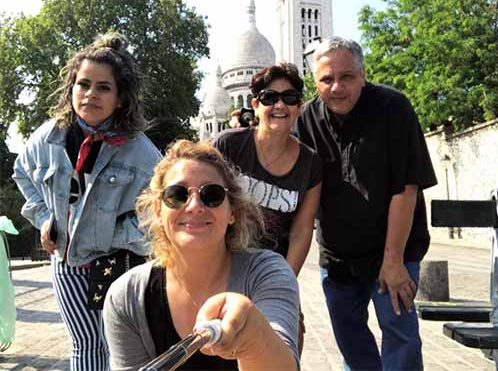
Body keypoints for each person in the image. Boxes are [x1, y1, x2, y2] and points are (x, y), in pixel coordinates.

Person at [12, 32, 161, 370]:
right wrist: (45, 218)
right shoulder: (47, 137)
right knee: (85, 343)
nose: (90, 94)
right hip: (67, 263)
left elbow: (157, 212)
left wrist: (113, 235)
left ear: (120, 98)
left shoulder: (142, 153)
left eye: (103, 87)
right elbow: (22, 173)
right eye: (83, 84)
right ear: (71, 89)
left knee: (119, 343)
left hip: (116, 263)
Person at [294, 37, 437, 371]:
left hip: (394, 250)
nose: (336, 87)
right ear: (315, 81)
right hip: (338, 256)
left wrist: (394, 262)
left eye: (346, 77)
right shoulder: (306, 121)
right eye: (326, 79)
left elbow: (405, 189)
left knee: (400, 337)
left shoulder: (393, 107)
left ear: (363, 74)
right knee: (350, 340)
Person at [103, 139, 299, 370]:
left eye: (212, 194)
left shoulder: (266, 273)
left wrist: (255, 337)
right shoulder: (126, 296)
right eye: (177, 194)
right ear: (158, 210)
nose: (194, 205)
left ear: (232, 212)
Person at [213, 63, 322, 353]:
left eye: (288, 98)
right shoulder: (228, 146)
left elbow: (301, 231)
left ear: (299, 106)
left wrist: (282, 281)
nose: (279, 106)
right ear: (255, 104)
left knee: (280, 352)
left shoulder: (310, 163)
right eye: (269, 97)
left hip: (271, 271)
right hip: (222, 269)